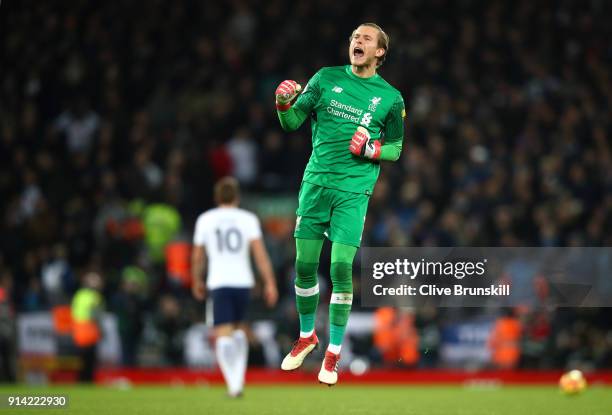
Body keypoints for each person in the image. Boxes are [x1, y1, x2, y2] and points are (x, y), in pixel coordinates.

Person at [275, 22, 406, 385]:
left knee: (340, 269)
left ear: (380, 51)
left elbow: (396, 147)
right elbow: (291, 122)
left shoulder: (391, 98)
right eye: (353, 38)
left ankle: (333, 353)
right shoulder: (324, 78)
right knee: (303, 266)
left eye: (365, 38)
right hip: (316, 183)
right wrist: (283, 102)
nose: (356, 42)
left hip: (353, 192)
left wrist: (370, 148)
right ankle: (306, 337)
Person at [191, 177, 278, 397]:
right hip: (243, 282)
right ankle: (237, 382)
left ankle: (233, 383)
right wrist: (270, 282)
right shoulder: (247, 219)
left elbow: (198, 256)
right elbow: (260, 255)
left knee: (223, 334)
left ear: (217, 197)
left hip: (219, 282)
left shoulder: (206, 220)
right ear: (237, 197)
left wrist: (196, 280)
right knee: (239, 331)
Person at [71, 272, 104, 383]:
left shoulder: (79, 295)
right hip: (90, 331)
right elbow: (96, 315)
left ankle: (80, 381)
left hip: (78, 331)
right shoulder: (95, 296)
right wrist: (101, 330)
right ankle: (88, 381)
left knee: (81, 362)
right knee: (90, 362)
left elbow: (74, 312)